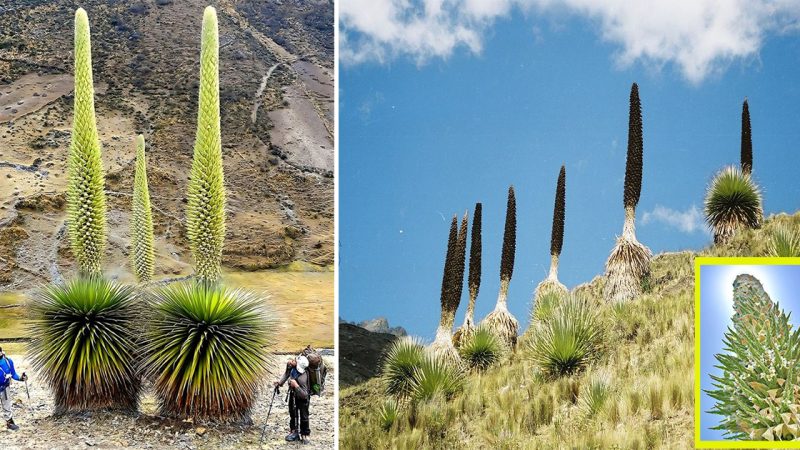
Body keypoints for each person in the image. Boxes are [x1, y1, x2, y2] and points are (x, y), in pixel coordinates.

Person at [274, 355, 311, 442]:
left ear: (298, 365)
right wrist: (280, 383)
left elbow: (305, 395)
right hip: (293, 394)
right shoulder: (292, 368)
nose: (292, 361)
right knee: (292, 413)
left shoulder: (303, 377)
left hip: (302, 398)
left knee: (304, 415)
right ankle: (293, 431)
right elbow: (287, 374)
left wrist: (296, 386)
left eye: (295, 360)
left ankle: (305, 434)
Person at [0, 347, 27, 431]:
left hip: (4, 387)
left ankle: (9, 422)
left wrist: (21, 378)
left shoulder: (8, 361)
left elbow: (13, 374)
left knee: (7, 405)